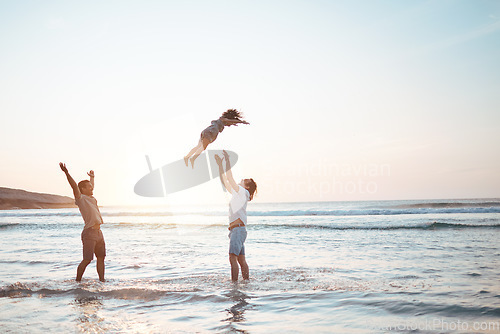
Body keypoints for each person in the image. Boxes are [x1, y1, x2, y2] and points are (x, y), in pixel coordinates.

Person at [215, 150, 257, 282]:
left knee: (232, 258)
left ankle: (234, 286)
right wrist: (220, 165)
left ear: (247, 185)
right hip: (237, 230)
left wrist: (227, 161)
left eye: (244, 180)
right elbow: (225, 181)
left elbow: (230, 178)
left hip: (238, 230)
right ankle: (246, 282)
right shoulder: (238, 193)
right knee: (240, 259)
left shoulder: (243, 192)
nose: (241, 179)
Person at [59, 163, 106, 282]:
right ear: (83, 189)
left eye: (91, 186)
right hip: (89, 233)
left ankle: (102, 281)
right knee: (87, 260)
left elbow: (91, 186)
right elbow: (74, 186)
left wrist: (92, 178)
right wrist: (66, 173)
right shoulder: (81, 199)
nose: (92, 188)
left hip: (99, 232)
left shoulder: (92, 198)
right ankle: (78, 281)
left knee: (101, 258)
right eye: (89, 187)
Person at [185, 109, 249, 168]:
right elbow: (229, 120)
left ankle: (187, 157)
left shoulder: (222, 123)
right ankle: (192, 159)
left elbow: (231, 122)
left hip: (207, 131)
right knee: (203, 147)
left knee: (199, 146)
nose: (230, 124)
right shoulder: (222, 119)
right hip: (210, 132)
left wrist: (237, 122)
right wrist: (241, 122)